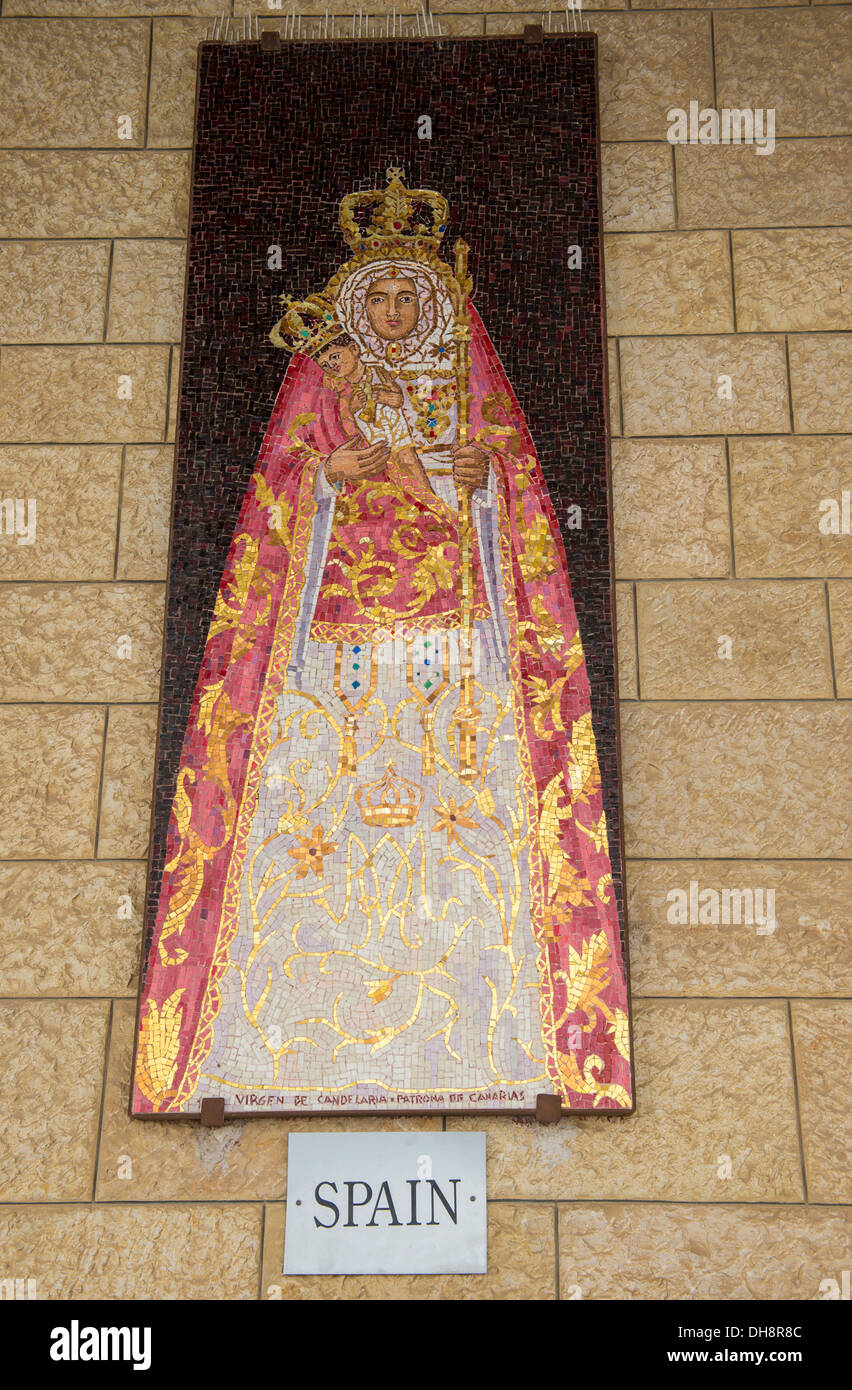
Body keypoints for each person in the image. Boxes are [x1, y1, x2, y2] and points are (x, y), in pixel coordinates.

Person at [134, 170, 631, 1117]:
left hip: (453, 638)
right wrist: (328, 474)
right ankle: (289, 1030)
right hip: (336, 639)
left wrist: (484, 487)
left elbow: (516, 508)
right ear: (359, 308)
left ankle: (485, 1024)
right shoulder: (325, 382)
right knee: (329, 815)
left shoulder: (465, 386)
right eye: (383, 298)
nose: (398, 313)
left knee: (458, 823)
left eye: (412, 297)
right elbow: (272, 498)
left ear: (435, 304)